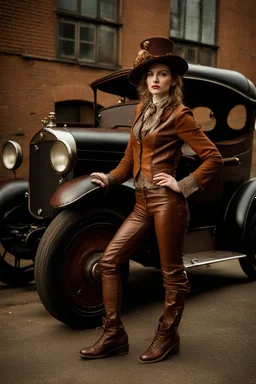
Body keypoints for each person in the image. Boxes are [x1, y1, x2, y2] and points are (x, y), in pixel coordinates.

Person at [79, 37, 223, 363]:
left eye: (162, 74)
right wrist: (112, 178)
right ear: (145, 81)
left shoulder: (179, 115)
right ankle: (113, 334)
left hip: (168, 203)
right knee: (109, 261)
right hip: (141, 202)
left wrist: (182, 184)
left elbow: (212, 158)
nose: (155, 79)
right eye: (150, 75)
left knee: (171, 274)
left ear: (173, 80)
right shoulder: (142, 111)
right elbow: (130, 158)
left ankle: (168, 334)